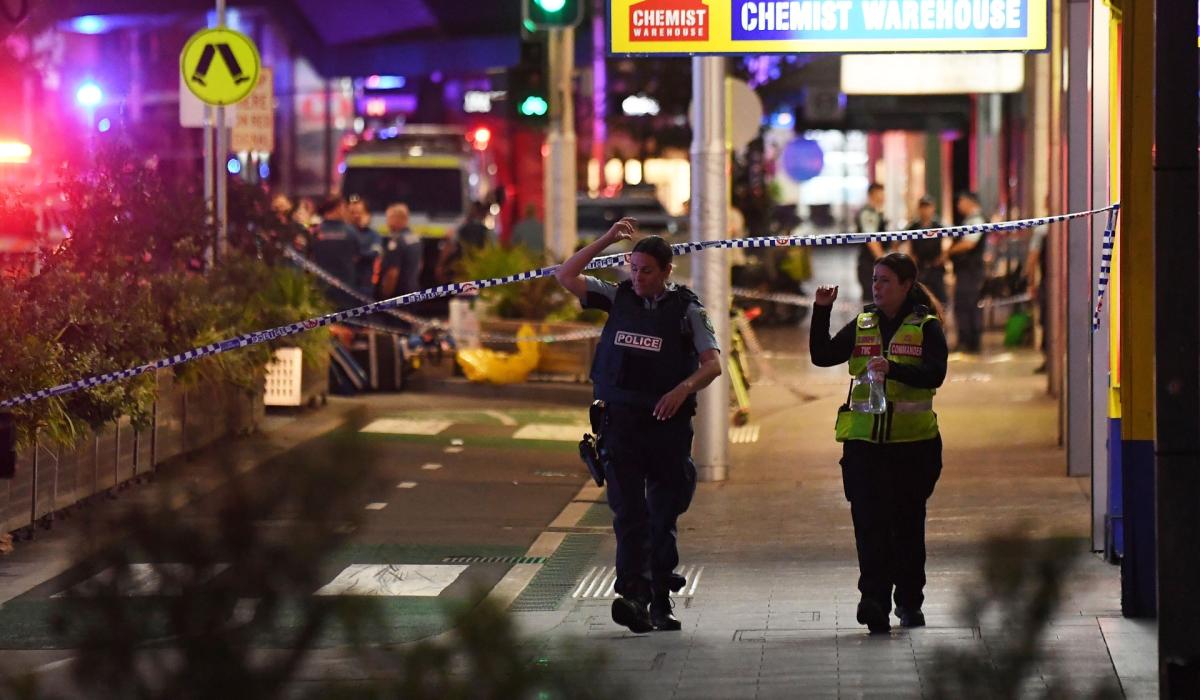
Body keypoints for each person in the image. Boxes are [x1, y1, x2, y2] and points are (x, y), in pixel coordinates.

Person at [554, 219, 723, 634]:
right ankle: (633, 597)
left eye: (647, 270)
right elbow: (565, 275)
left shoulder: (688, 311)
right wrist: (607, 238)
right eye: (633, 267)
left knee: (661, 516)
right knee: (629, 515)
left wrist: (682, 390)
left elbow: (713, 364)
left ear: (667, 271)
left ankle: (660, 595)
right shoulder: (618, 297)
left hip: (665, 427)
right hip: (621, 425)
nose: (637, 276)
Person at [809, 252, 948, 634]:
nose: (877, 287)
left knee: (906, 527)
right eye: (874, 280)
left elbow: (936, 374)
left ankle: (909, 603)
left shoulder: (926, 327)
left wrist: (894, 369)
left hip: (912, 447)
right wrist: (822, 310)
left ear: (906, 286)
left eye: (886, 280)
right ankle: (873, 601)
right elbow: (822, 356)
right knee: (868, 526)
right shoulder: (864, 324)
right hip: (864, 446)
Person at [947, 191, 987, 353]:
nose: (958, 205)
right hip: (967, 271)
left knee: (967, 304)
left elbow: (969, 244)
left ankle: (970, 341)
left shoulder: (976, 220)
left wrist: (949, 252)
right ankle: (968, 340)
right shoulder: (970, 220)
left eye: (961, 201)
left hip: (970, 271)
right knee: (964, 304)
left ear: (970, 202)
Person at [308, 197, 360, 302]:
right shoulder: (351, 232)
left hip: (320, 286)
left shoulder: (315, 231)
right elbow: (356, 257)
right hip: (345, 287)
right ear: (339, 208)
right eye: (344, 207)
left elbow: (309, 256)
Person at [377, 203, 423, 300]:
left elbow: (392, 273)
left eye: (389, 218)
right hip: (414, 291)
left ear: (397, 219)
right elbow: (420, 265)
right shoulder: (416, 239)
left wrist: (385, 295)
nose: (387, 223)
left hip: (399, 295)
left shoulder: (396, 242)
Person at [906, 196, 947, 305]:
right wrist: (910, 258)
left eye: (928, 207)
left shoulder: (939, 226)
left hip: (936, 268)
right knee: (917, 300)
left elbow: (950, 241)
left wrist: (944, 256)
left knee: (941, 301)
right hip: (919, 268)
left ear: (933, 208)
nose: (925, 210)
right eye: (923, 207)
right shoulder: (913, 227)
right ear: (919, 209)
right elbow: (901, 242)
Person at [854, 183, 890, 302]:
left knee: (877, 302)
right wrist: (884, 261)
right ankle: (868, 322)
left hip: (872, 265)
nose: (883, 197)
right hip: (869, 265)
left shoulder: (875, 213)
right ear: (872, 194)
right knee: (871, 304)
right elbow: (871, 240)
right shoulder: (868, 213)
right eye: (881, 193)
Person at [347, 196, 382, 297]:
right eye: (352, 213)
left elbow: (375, 252)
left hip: (365, 286)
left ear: (368, 214)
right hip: (345, 284)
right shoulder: (344, 233)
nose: (356, 216)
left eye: (360, 212)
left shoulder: (374, 235)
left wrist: (358, 255)